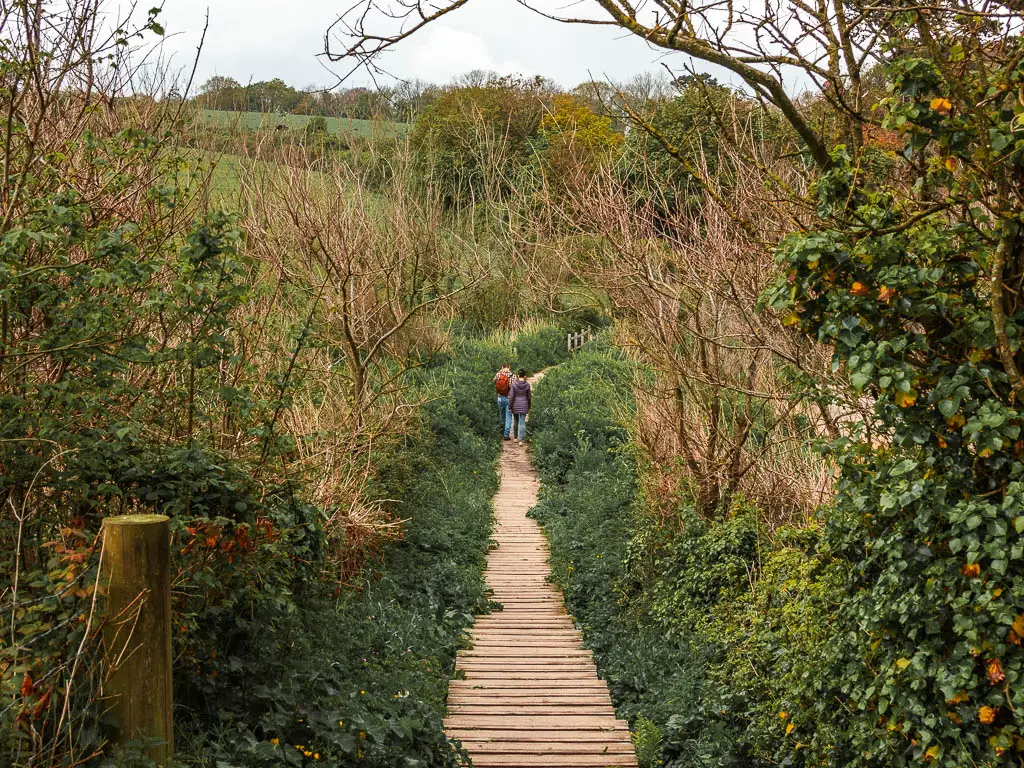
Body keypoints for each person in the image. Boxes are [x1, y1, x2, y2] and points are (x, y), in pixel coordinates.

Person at [506, 368, 532, 445]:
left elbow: (511, 396)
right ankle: (521, 440)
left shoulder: (514, 384)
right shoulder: (527, 385)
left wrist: (510, 406)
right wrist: (529, 406)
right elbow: (529, 397)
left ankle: (516, 438)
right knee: (522, 423)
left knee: (516, 421)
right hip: (524, 405)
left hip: (515, 405)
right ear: (524, 376)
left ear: (518, 375)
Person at [493, 362, 513, 436]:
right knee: (508, 416)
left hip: (500, 397)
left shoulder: (498, 374)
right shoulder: (512, 375)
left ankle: (501, 432)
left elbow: (494, 381)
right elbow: (513, 387)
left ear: (502, 367)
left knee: (502, 414)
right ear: (509, 367)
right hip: (509, 398)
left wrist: (499, 373)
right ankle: (506, 435)